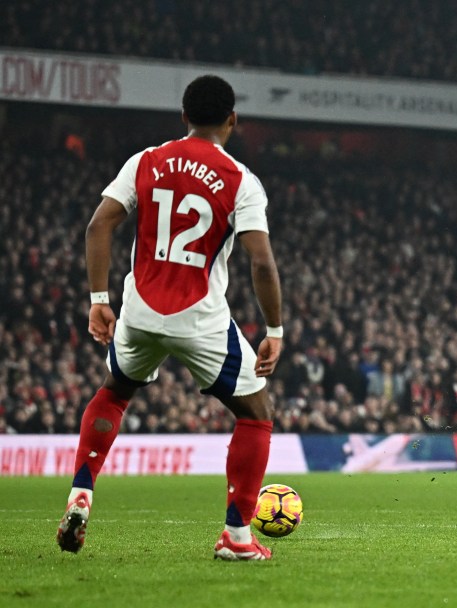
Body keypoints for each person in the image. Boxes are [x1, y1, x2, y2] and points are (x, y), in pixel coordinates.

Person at [56, 75, 285, 560]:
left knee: (115, 393)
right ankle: (238, 538)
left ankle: (82, 491)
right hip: (199, 315)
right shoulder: (241, 180)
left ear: (183, 116)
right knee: (256, 415)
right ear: (232, 121)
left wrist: (99, 298)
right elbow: (261, 262)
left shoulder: (146, 161)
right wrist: (274, 330)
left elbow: (99, 225)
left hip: (139, 309)